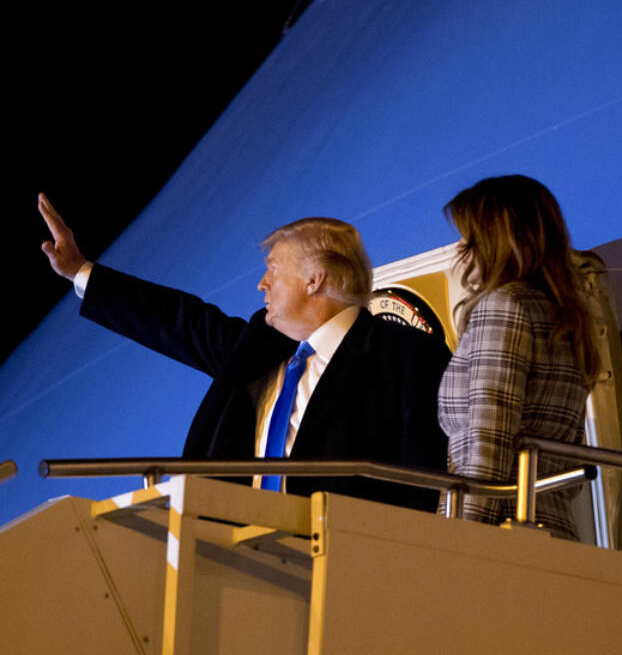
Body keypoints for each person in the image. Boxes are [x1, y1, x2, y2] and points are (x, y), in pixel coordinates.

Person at [38, 193, 450, 511]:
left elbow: (422, 481)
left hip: (343, 568)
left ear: (314, 278)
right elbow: (178, 321)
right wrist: (79, 271)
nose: (262, 284)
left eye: (273, 268)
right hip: (230, 561)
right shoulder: (260, 348)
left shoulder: (406, 357)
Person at [439, 175, 599, 539]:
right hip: (552, 529)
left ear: (497, 239)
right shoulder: (567, 318)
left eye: (469, 236)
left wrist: (461, 540)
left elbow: (488, 443)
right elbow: (572, 463)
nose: (461, 247)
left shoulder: (502, 307)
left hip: (498, 532)